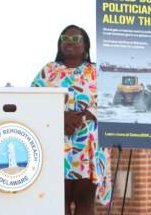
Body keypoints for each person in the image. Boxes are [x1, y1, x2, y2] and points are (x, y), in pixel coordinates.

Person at [31, 25, 111, 215]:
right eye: (65, 39)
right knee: (60, 199)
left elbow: (109, 100)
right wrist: (61, 117)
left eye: (76, 39)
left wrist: (81, 117)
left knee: (85, 200)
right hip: (55, 142)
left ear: (86, 46)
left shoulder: (98, 71)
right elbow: (33, 99)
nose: (69, 43)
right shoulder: (49, 70)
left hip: (89, 145)